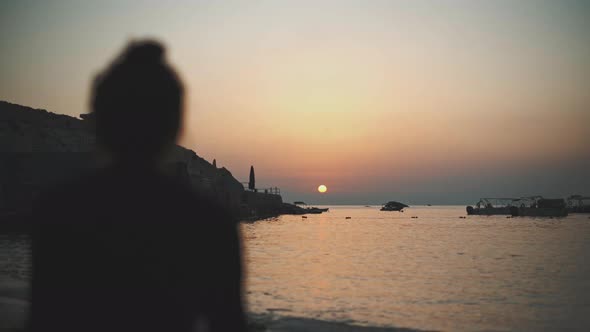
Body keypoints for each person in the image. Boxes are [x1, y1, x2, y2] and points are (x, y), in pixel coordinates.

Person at [30, 40, 246, 332]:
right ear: (176, 125)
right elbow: (228, 324)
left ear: (100, 123)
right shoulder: (209, 223)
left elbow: (46, 319)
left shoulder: (58, 211)